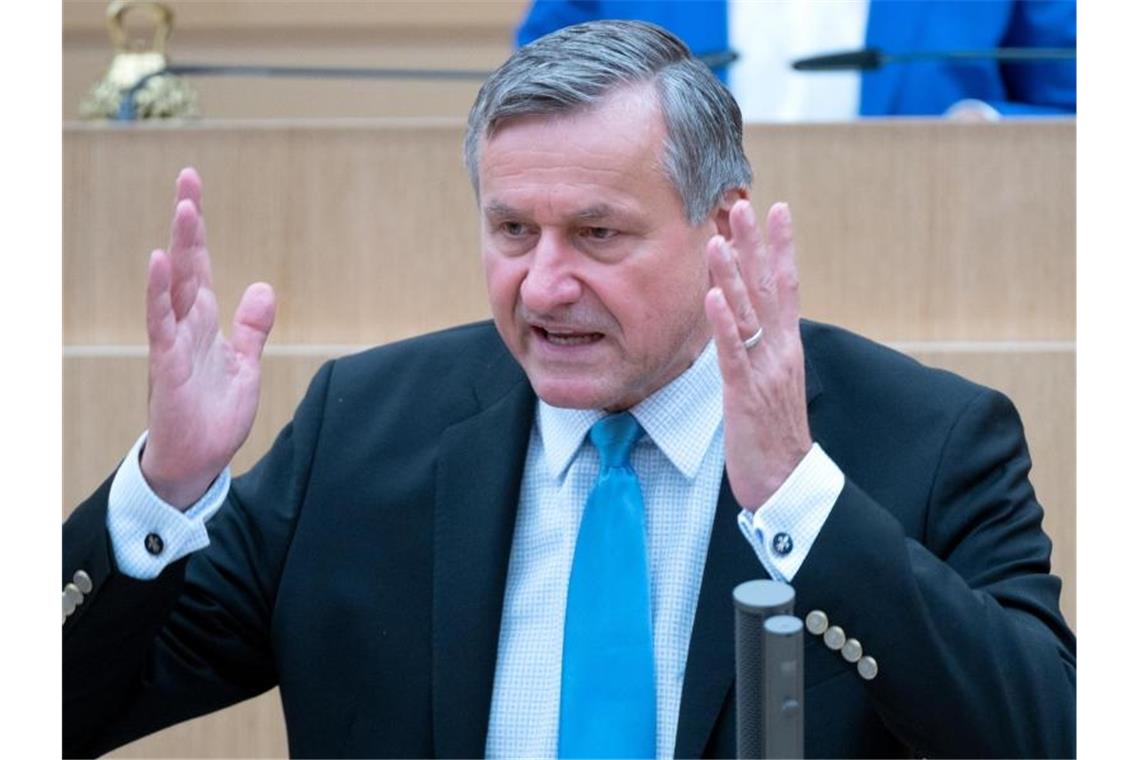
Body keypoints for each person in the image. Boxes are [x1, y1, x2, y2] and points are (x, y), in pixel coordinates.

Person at [63, 20, 1075, 759]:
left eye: (598, 233)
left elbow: (1050, 734)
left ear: (721, 227)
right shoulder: (360, 432)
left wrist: (803, 505)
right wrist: (164, 486)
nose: (544, 284)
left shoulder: (930, 442)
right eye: (512, 231)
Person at [517, 0, 1077, 120]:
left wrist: (993, 127)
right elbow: (538, 98)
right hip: (675, 290)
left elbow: (1081, 110)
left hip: (931, 256)